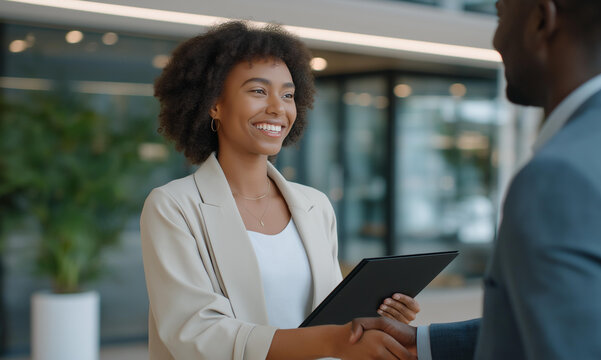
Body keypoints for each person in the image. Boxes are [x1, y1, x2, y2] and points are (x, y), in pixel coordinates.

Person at [350, 0, 601, 359]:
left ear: (541, 20)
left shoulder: (561, 177)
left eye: (502, 16)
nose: (496, 40)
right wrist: (424, 344)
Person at [140, 21, 421, 360]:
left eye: (287, 95)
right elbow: (197, 334)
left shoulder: (314, 205)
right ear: (214, 104)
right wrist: (333, 340)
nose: (278, 107)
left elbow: (329, 316)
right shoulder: (173, 206)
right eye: (258, 91)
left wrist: (374, 318)